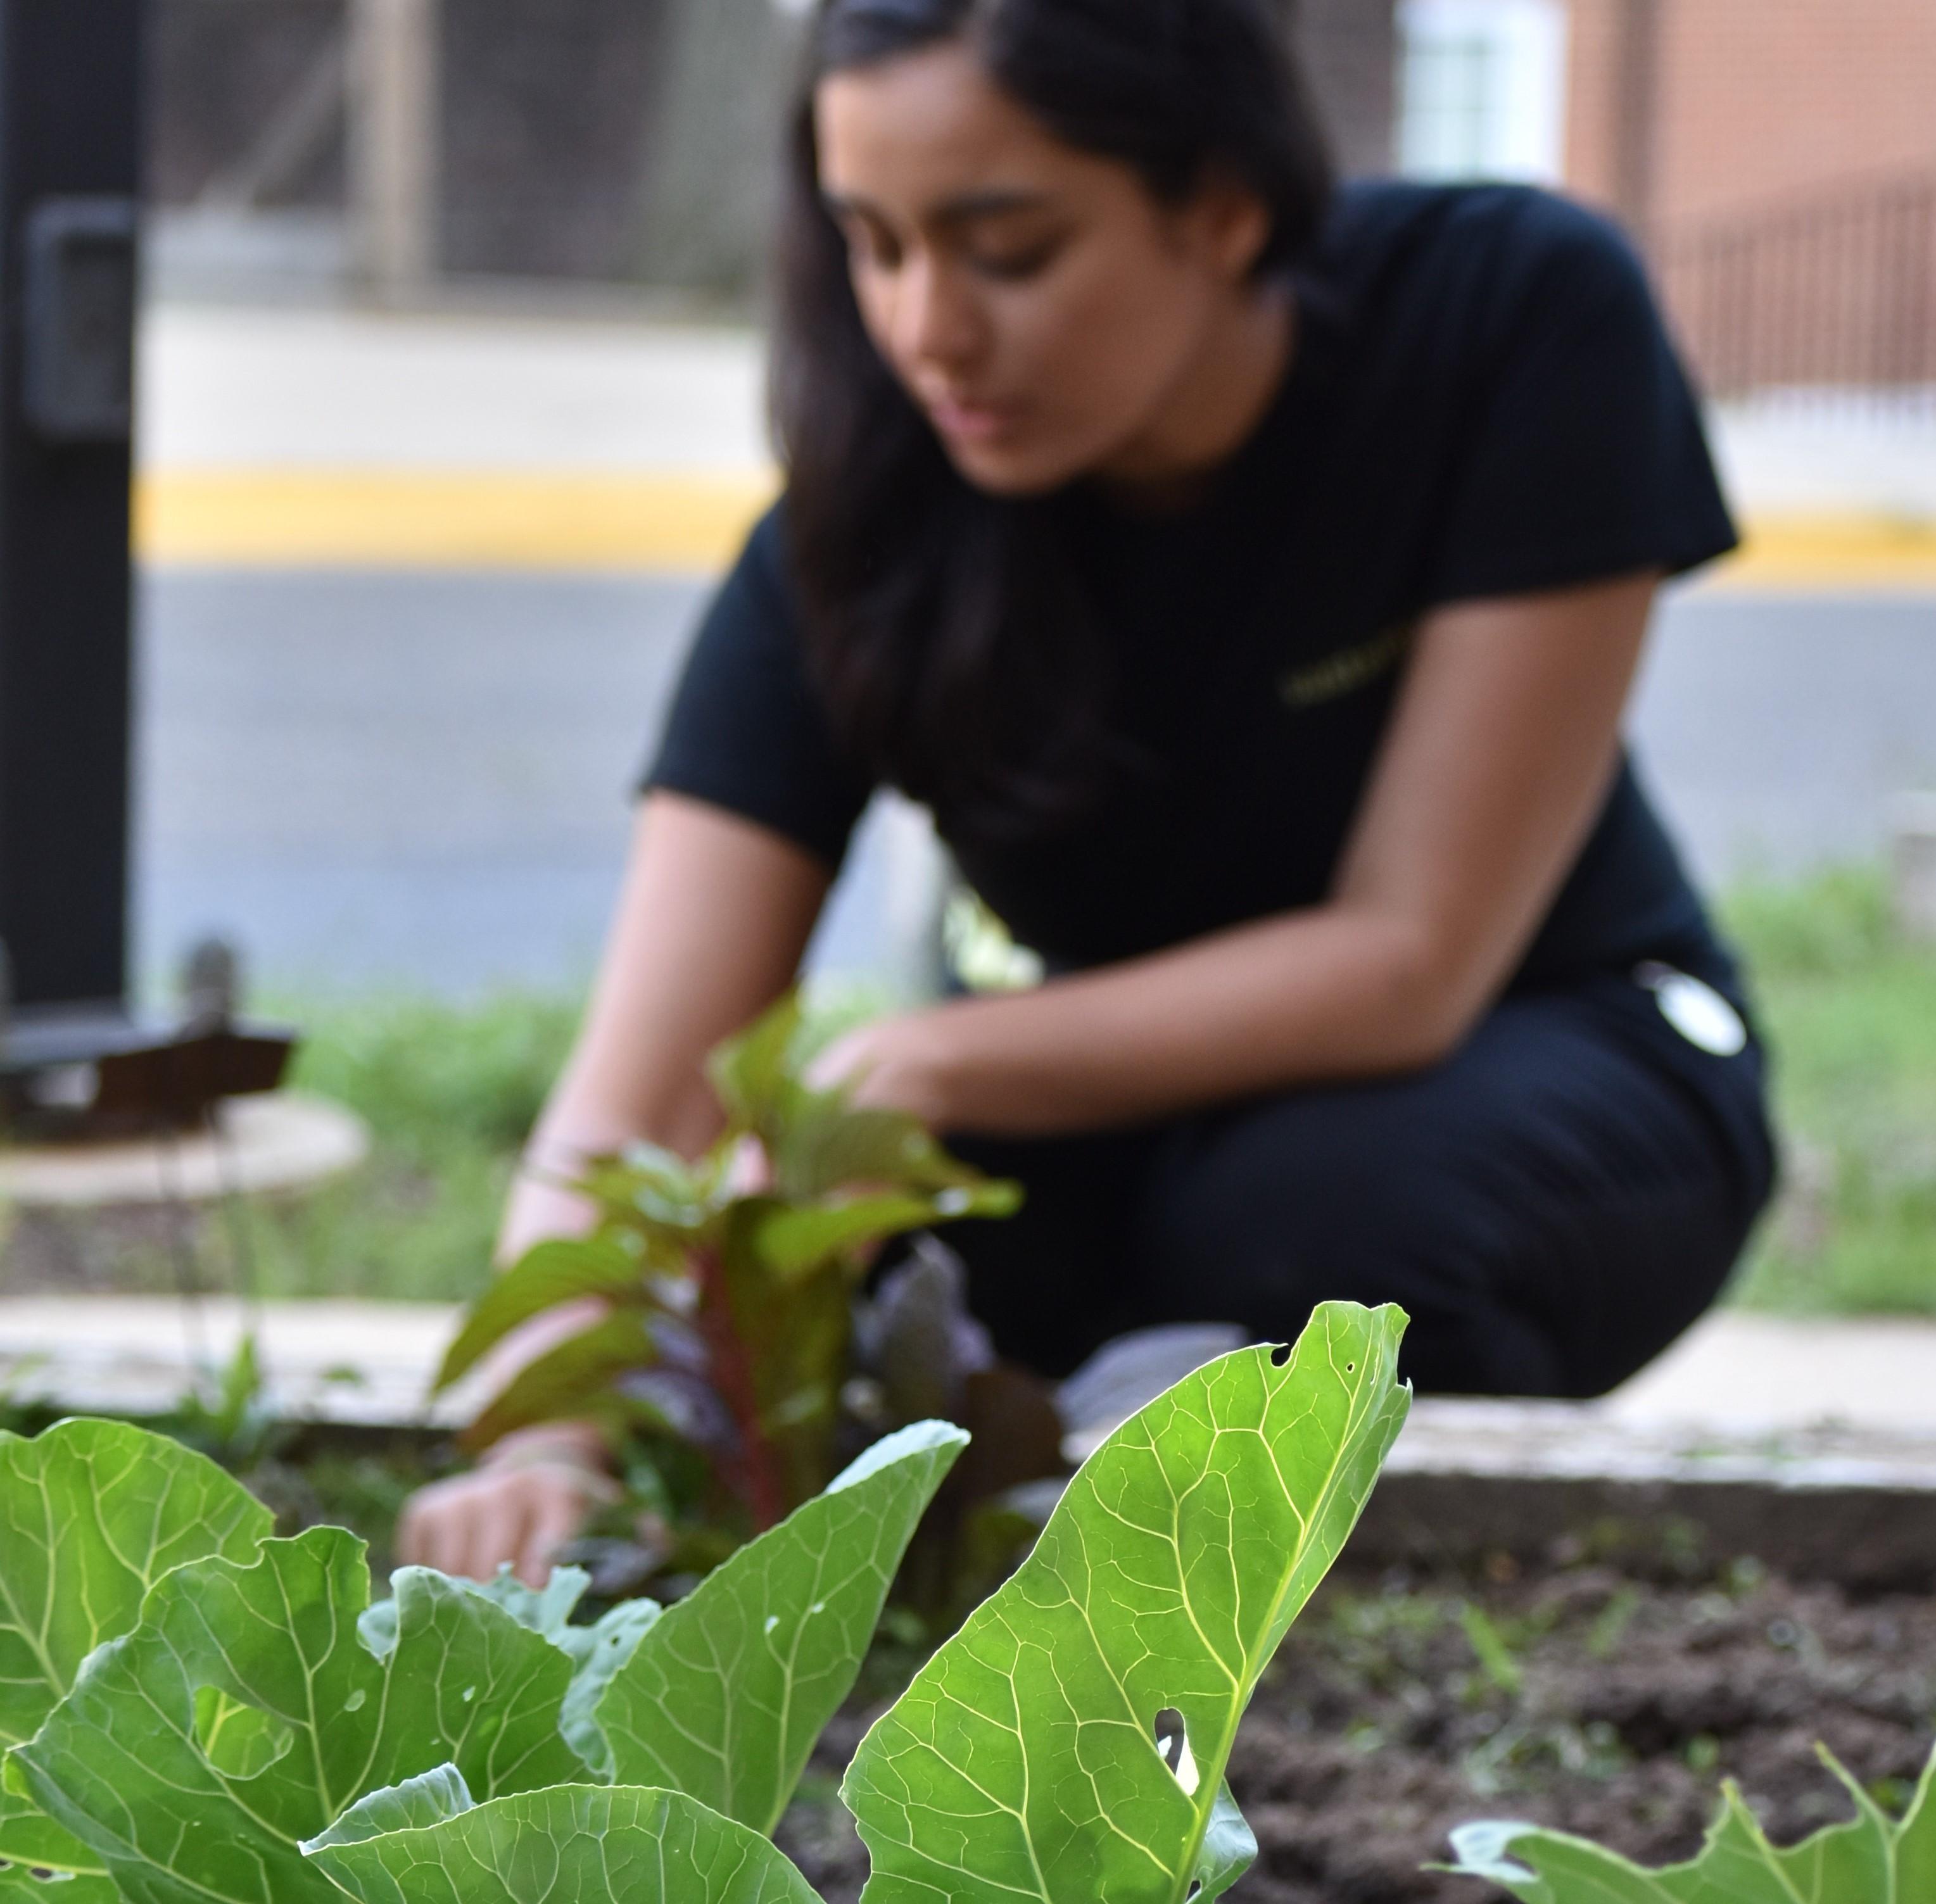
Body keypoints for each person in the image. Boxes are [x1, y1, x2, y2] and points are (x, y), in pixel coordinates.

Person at [396, 0, 1776, 1586]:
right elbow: (641, 1096)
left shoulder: (1506, 316)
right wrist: (539, 1440)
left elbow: (1410, 961)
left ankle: (1281, 1527)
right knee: (827, 1257)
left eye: (1008, 250)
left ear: (1222, 204)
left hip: (1555, 1051)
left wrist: (915, 1055)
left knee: (1312, 1230)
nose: (926, 330)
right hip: (1107, 1119)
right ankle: (1117, 1477)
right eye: (876, 245)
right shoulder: (860, 537)